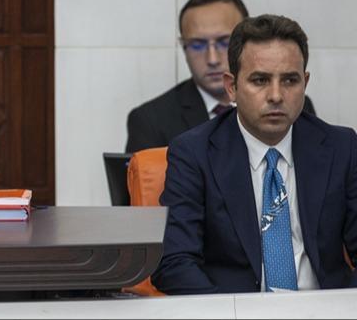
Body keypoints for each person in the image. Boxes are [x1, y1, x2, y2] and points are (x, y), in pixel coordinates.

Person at [153, 15, 357, 294]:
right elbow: (173, 262)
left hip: (324, 307)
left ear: (305, 83)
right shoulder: (194, 153)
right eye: (260, 80)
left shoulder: (342, 147)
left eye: (290, 80)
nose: (276, 95)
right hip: (231, 307)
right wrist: (229, 312)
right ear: (231, 87)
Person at [126, 0, 314, 152]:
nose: (213, 59)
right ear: (183, 47)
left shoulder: (295, 105)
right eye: (198, 45)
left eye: (225, 42)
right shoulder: (151, 121)